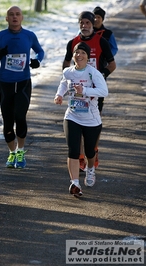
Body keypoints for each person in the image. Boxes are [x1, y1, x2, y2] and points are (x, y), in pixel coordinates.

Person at [0, 5, 44, 169]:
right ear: (6, 18)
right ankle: (12, 153)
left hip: (23, 82)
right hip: (5, 83)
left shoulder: (29, 36)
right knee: (8, 120)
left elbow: (40, 51)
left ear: (22, 17)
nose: (14, 17)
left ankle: (21, 151)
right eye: (11, 15)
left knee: (20, 116)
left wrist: (37, 61)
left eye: (17, 14)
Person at [63, 11, 116, 171]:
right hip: (77, 92)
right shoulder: (73, 42)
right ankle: (79, 156)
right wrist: (68, 80)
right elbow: (65, 64)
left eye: (88, 23)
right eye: (82, 23)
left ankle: (92, 150)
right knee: (75, 120)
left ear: (93, 24)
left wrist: (100, 76)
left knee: (93, 122)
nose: (84, 26)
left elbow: (112, 65)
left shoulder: (101, 41)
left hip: (94, 92)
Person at [55, 42, 108, 197]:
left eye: (83, 53)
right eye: (77, 52)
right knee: (73, 150)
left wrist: (84, 90)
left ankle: (90, 169)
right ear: (73, 55)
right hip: (72, 116)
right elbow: (63, 84)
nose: (79, 55)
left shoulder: (93, 73)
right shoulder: (68, 72)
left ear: (87, 56)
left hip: (91, 119)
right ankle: (75, 183)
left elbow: (104, 91)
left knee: (90, 151)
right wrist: (59, 95)